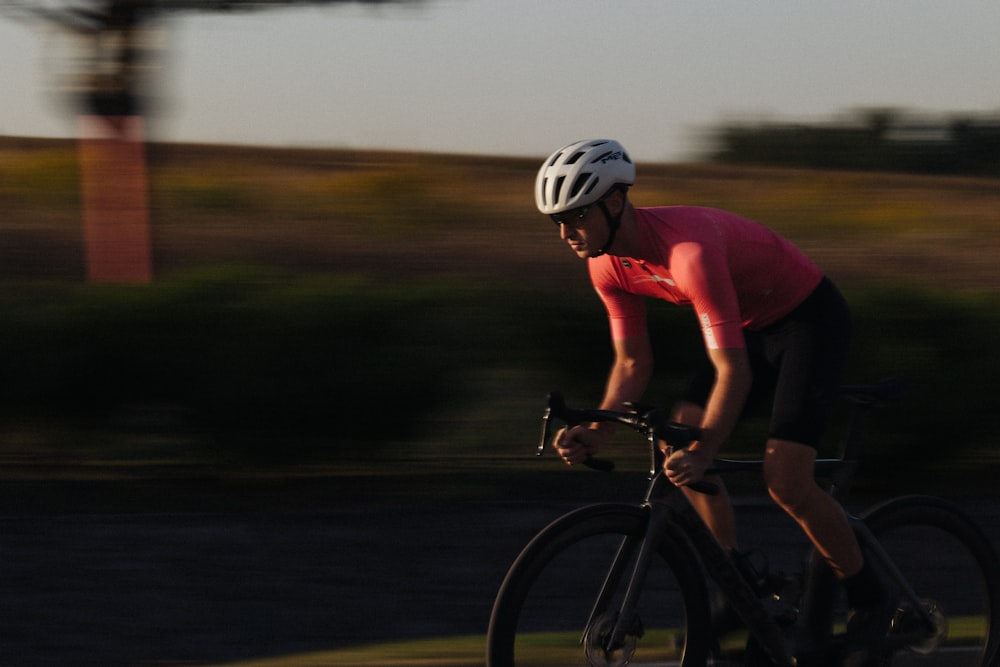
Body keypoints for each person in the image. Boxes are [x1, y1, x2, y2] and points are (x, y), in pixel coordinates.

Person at [535, 138, 892, 665]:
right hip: (749, 325)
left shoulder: (689, 252)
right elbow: (633, 364)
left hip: (807, 321)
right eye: (557, 221)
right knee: (675, 431)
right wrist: (601, 428)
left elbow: (734, 371)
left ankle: (870, 598)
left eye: (577, 216)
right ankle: (738, 580)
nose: (567, 233)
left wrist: (705, 453)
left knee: (786, 479)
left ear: (615, 203)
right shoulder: (606, 265)